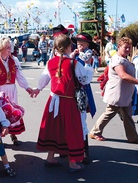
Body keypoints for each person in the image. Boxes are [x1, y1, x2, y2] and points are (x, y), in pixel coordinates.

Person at [31, 34, 93, 173]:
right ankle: (73, 163)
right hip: (68, 102)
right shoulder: (73, 63)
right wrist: (88, 66)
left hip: (53, 101)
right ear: (67, 47)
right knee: (72, 131)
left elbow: (44, 78)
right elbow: (84, 79)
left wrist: (38, 89)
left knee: (54, 129)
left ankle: (50, 157)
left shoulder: (51, 62)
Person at [90, 37, 138, 143]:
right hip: (117, 94)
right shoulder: (118, 60)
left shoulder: (123, 58)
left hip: (124, 94)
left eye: (129, 48)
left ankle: (133, 136)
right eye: (125, 47)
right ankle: (95, 132)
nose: (128, 50)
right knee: (109, 113)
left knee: (127, 115)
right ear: (118, 47)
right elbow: (123, 75)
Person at [0, 37, 33, 145]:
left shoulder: (14, 60)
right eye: (7, 48)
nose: (9, 50)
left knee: (11, 111)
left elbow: (20, 75)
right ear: (0, 49)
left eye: (10, 47)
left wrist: (27, 87)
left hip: (11, 89)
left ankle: (13, 134)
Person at [70, 32, 97, 163]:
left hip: (81, 89)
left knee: (81, 120)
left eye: (82, 43)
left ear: (87, 44)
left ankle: (84, 151)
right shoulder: (74, 54)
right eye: (78, 42)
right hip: (71, 89)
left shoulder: (88, 55)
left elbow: (85, 78)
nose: (79, 45)